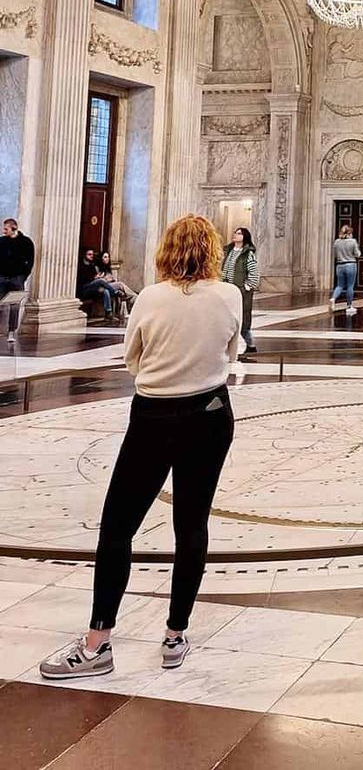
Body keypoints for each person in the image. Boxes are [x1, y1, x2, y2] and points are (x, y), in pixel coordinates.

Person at [39, 214, 241, 680]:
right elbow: (231, 355)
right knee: (192, 525)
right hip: (211, 415)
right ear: (211, 250)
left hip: (154, 416)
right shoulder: (229, 295)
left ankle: (98, 642)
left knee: (117, 528)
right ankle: (175, 635)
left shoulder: (150, 297)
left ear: (166, 251)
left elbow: (133, 358)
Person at [221, 227, 260, 355]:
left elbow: (254, 273)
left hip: (241, 292)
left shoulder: (248, 254)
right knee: (226, 319)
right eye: (235, 233)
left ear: (244, 237)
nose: (235, 235)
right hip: (227, 290)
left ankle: (251, 345)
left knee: (242, 321)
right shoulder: (229, 251)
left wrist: (246, 287)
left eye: (239, 234)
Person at [0, 217, 34, 335]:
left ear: (13, 228)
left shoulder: (26, 242)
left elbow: (30, 261)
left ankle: (11, 331)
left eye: (6, 229)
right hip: (2, 276)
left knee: (14, 305)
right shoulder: (2, 241)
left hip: (17, 277)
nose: (4, 231)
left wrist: (24, 275)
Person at [331, 223, 362, 315]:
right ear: (350, 233)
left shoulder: (337, 242)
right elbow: (357, 254)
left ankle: (333, 298)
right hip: (350, 265)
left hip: (339, 265)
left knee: (339, 285)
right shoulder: (353, 241)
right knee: (350, 286)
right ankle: (349, 305)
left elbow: (335, 254)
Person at [96, 251, 137, 315]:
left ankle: (131, 303)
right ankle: (134, 297)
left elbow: (111, 279)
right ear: (101, 258)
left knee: (122, 292)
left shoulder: (107, 268)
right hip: (102, 286)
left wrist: (111, 280)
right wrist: (105, 279)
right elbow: (98, 281)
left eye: (108, 257)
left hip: (110, 285)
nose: (107, 259)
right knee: (120, 284)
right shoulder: (97, 268)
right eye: (105, 257)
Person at [77, 249, 114, 319]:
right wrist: (96, 278)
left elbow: (95, 278)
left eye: (92, 254)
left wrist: (97, 277)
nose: (91, 256)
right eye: (89, 254)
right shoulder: (80, 266)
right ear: (85, 255)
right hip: (84, 288)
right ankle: (114, 292)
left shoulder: (92, 265)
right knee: (101, 281)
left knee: (105, 291)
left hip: (93, 288)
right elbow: (83, 279)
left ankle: (108, 312)